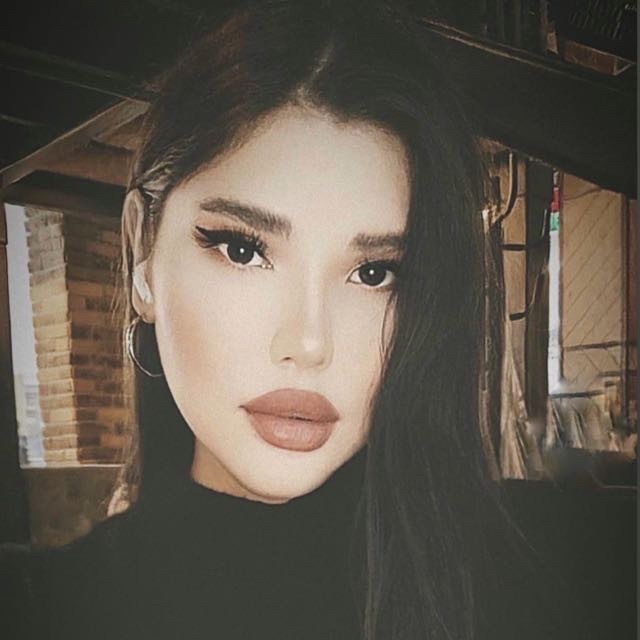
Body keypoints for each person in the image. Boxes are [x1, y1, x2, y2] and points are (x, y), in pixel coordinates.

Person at [0, 2, 635, 640]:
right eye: (243, 250)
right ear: (142, 251)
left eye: (375, 272)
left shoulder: (562, 567)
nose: (308, 343)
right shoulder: (41, 609)